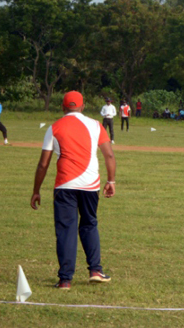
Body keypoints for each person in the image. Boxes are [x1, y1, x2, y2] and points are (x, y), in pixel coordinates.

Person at [30, 91, 116, 289]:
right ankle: (95, 270)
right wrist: (111, 181)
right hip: (90, 185)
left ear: (62, 107)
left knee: (66, 231)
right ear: (83, 106)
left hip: (64, 185)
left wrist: (36, 190)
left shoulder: (54, 128)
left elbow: (43, 164)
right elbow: (109, 156)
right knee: (89, 224)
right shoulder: (96, 125)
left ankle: (65, 280)